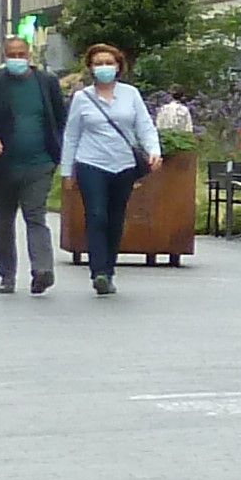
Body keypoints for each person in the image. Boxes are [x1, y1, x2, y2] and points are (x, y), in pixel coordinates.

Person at [58, 41, 163, 295]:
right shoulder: (82, 98)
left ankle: (110, 267)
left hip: (123, 164)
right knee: (96, 215)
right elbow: (71, 135)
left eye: (109, 63)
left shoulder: (131, 95)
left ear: (118, 67)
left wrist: (154, 150)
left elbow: (144, 126)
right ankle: (99, 272)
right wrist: (66, 172)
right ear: (91, 68)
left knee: (115, 217)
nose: (104, 67)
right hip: (91, 163)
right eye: (98, 63)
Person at [0, 35, 67, 295]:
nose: (17, 59)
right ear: (4, 57)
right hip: (1, 167)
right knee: (3, 220)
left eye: (21, 54)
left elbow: (60, 117)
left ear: (30, 55)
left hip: (39, 163)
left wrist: (57, 152)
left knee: (35, 216)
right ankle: (7, 274)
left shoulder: (46, 82)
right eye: (11, 55)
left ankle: (42, 270)